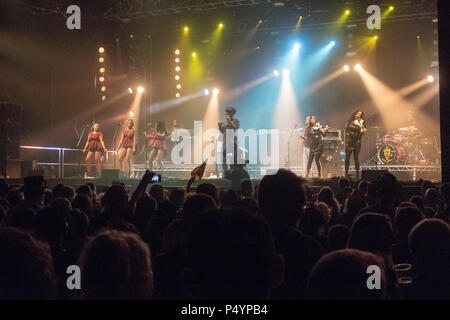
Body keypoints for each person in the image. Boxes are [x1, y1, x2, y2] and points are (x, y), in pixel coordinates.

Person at [344, 110, 366, 178]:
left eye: (360, 114)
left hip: (357, 141)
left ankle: (357, 174)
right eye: (358, 113)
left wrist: (362, 129)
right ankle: (346, 173)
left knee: (356, 158)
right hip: (349, 141)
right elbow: (345, 130)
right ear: (355, 114)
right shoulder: (349, 122)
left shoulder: (361, 122)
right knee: (347, 157)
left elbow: (363, 132)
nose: (359, 115)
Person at [218, 106, 240, 175]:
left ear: (233, 113)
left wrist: (229, 121)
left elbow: (235, 127)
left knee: (231, 159)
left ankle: (232, 174)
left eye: (230, 112)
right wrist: (219, 127)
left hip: (232, 144)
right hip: (225, 144)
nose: (228, 113)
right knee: (223, 160)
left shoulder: (235, 121)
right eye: (227, 112)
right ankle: (225, 174)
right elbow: (222, 131)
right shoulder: (223, 122)